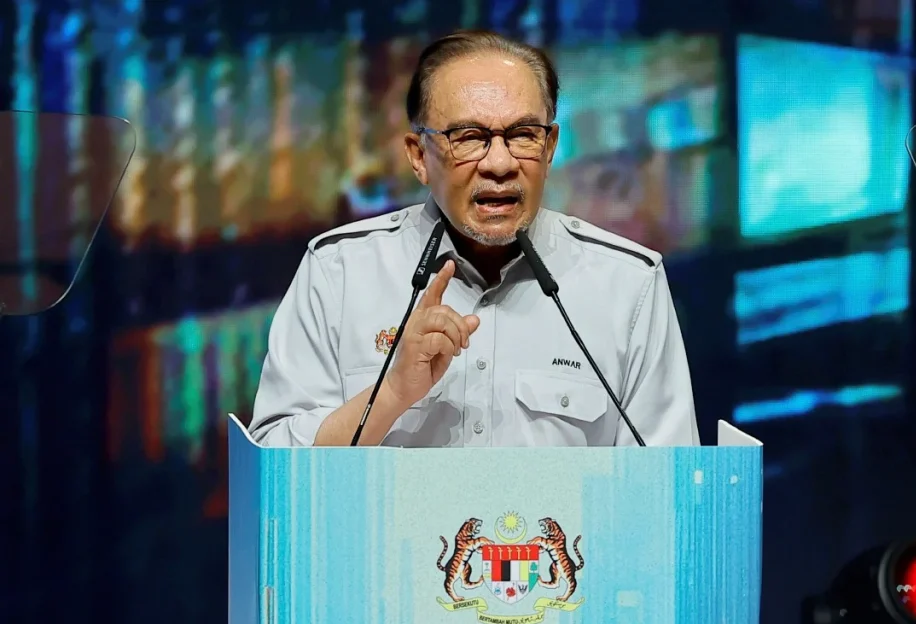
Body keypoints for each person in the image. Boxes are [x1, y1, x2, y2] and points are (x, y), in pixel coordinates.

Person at [249, 29, 700, 448]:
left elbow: (669, 484)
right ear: (418, 156)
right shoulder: (339, 272)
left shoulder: (629, 285)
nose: (500, 164)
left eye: (523, 135)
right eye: (469, 137)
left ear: (549, 148)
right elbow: (270, 466)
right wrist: (390, 394)